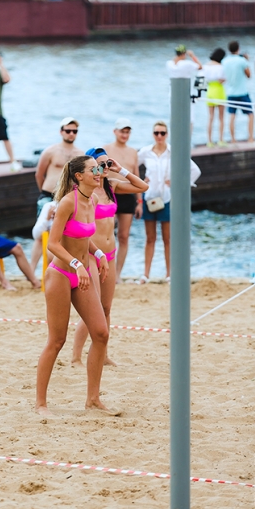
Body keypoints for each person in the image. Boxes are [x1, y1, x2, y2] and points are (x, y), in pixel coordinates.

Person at [36, 155, 114, 417]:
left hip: (82, 273)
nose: (99, 171)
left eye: (100, 168)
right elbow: (53, 243)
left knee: (101, 333)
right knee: (56, 340)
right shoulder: (68, 202)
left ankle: (93, 400)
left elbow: (82, 237)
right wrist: (77, 264)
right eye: (94, 169)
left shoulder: (91, 199)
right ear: (79, 176)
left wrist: (99, 255)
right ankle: (41, 405)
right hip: (60, 273)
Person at [71, 147, 148, 367]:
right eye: (99, 164)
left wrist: (120, 169)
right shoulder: (86, 192)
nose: (104, 168)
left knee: (106, 307)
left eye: (107, 164)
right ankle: (76, 356)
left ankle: (101, 354)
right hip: (92, 253)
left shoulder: (111, 186)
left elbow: (142, 186)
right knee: (92, 306)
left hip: (110, 254)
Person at [137, 121, 202, 284]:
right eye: (156, 133)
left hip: (166, 198)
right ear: (153, 134)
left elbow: (195, 170)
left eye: (162, 133)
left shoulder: (174, 152)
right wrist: (140, 181)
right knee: (149, 238)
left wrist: (179, 184)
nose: (159, 136)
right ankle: (146, 274)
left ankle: (169, 275)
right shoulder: (145, 152)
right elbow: (132, 166)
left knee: (168, 239)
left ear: (167, 134)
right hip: (149, 197)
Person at [32, 118, 84, 265]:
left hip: (68, 197)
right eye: (68, 131)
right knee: (41, 234)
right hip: (48, 195)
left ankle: (56, 267)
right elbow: (39, 174)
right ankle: (31, 271)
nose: (71, 134)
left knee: (62, 234)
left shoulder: (80, 154)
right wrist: (44, 192)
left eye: (74, 131)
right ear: (61, 131)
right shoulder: (50, 151)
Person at [102, 119, 141, 282]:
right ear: (115, 132)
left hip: (127, 196)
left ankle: (117, 274)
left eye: (127, 132)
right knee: (106, 233)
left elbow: (136, 176)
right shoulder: (106, 149)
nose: (124, 135)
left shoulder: (133, 152)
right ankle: (105, 269)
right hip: (110, 192)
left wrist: (140, 202)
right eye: (122, 131)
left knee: (124, 236)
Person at [222, 40, 254, 143]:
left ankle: (233, 139)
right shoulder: (242, 60)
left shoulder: (224, 61)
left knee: (232, 116)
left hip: (230, 92)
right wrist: (247, 61)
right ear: (238, 48)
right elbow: (249, 75)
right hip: (242, 92)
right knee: (250, 115)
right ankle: (250, 138)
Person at [203, 48, 228, 147]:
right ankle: (221, 140)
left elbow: (202, 79)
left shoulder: (205, 66)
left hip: (210, 90)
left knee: (210, 117)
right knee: (221, 117)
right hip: (219, 90)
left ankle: (209, 141)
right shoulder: (220, 67)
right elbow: (222, 79)